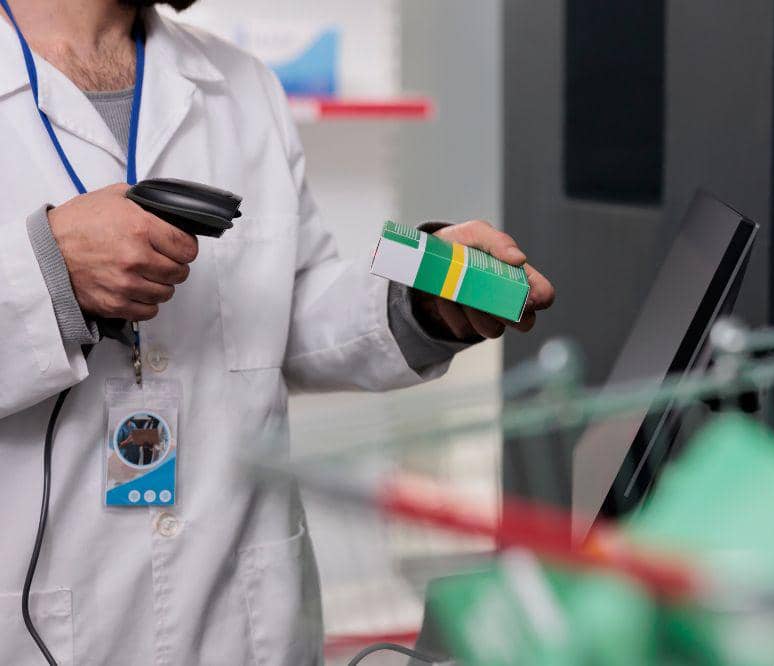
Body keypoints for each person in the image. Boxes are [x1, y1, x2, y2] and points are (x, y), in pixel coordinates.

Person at [0, 1, 555, 664]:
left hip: (240, 623)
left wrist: (423, 293)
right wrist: (46, 273)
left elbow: (289, 307)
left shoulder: (239, 83)